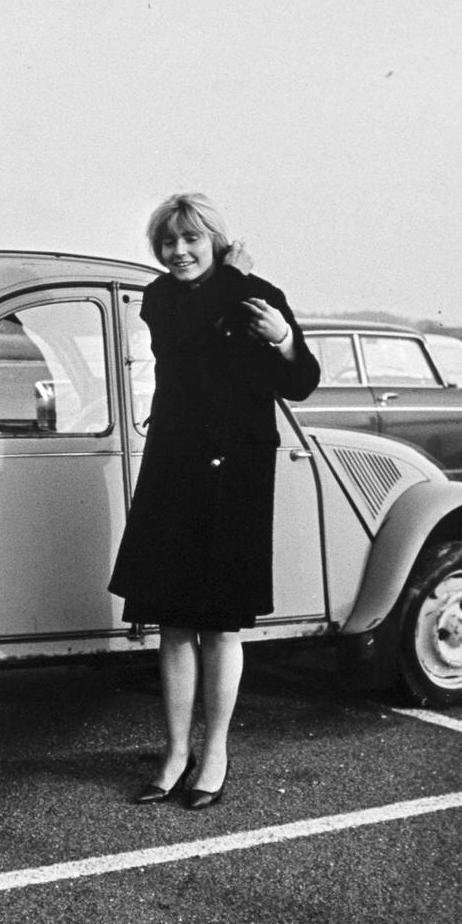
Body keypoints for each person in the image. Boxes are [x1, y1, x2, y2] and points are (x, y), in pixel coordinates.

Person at [109, 193, 321, 809]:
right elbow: (195, 335)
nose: (179, 252)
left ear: (214, 240)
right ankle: (175, 753)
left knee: (221, 625)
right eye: (169, 243)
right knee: (173, 621)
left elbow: (301, 382)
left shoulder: (261, 299)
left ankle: (216, 753)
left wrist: (282, 337)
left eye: (192, 240)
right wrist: (234, 274)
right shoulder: (162, 299)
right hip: (175, 464)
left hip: (236, 470)